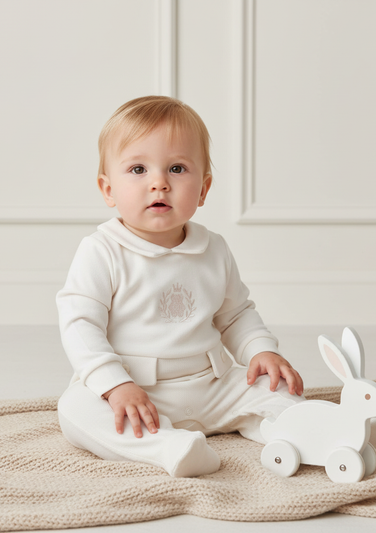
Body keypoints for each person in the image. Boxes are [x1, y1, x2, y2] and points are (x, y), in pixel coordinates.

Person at [56, 95, 305, 477]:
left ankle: (312, 432)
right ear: (108, 190)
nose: (159, 183)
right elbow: (80, 325)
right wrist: (114, 385)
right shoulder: (101, 251)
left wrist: (261, 351)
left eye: (176, 168)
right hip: (138, 391)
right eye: (138, 169)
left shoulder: (213, 248)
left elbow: (235, 315)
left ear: (203, 189)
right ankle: (170, 447)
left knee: (277, 389)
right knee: (75, 409)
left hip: (212, 385)